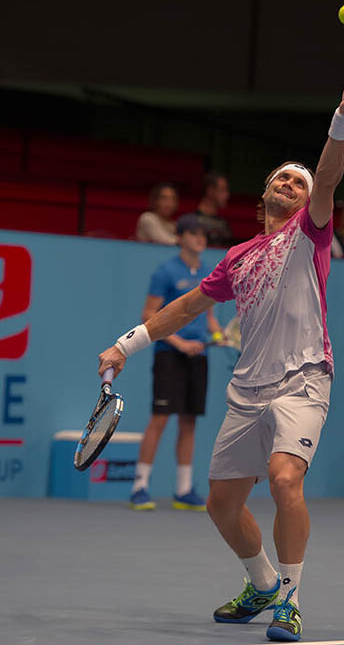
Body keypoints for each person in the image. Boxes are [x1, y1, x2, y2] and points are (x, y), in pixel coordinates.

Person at [98, 71, 344, 642]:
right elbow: (185, 307)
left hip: (304, 379)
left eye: (298, 182)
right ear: (264, 194)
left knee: (283, 479)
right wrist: (126, 344)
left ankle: (290, 601)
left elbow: (328, 175)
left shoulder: (311, 233)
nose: (290, 184)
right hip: (248, 388)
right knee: (222, 504)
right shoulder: (238, 256)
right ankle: (263, 583)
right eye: (281, 178)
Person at [130, 213, 223, 511]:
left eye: (203, 235)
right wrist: (180, 343)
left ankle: (183, 490)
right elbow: (148, 315)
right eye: (194, 234)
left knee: (189, 421)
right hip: (169, 354)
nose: (200, 239)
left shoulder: (209, 272)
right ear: (180, 238)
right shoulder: (165, 272)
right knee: (159, 419)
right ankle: (139, 487)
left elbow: (208, 316)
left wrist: (219, 334)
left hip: (199, 356)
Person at [193, 172, 233, 247]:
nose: (227, 194)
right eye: (223, 190)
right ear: (210, 190)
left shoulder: (224, 224)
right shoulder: (191, 221)